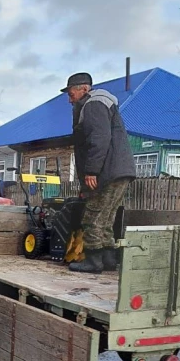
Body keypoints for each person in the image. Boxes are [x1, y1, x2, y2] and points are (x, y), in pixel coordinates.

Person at [62, 72, 136, 274]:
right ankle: (108, 261)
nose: (70, 100)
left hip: (107, 172)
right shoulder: (103, 104)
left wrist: (91, 171)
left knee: (92, 217)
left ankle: (93, 262)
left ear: (84, 89)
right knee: (106, 219)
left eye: (71, 94)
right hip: (120, 170)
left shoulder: (94, 105)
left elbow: (99, 139)